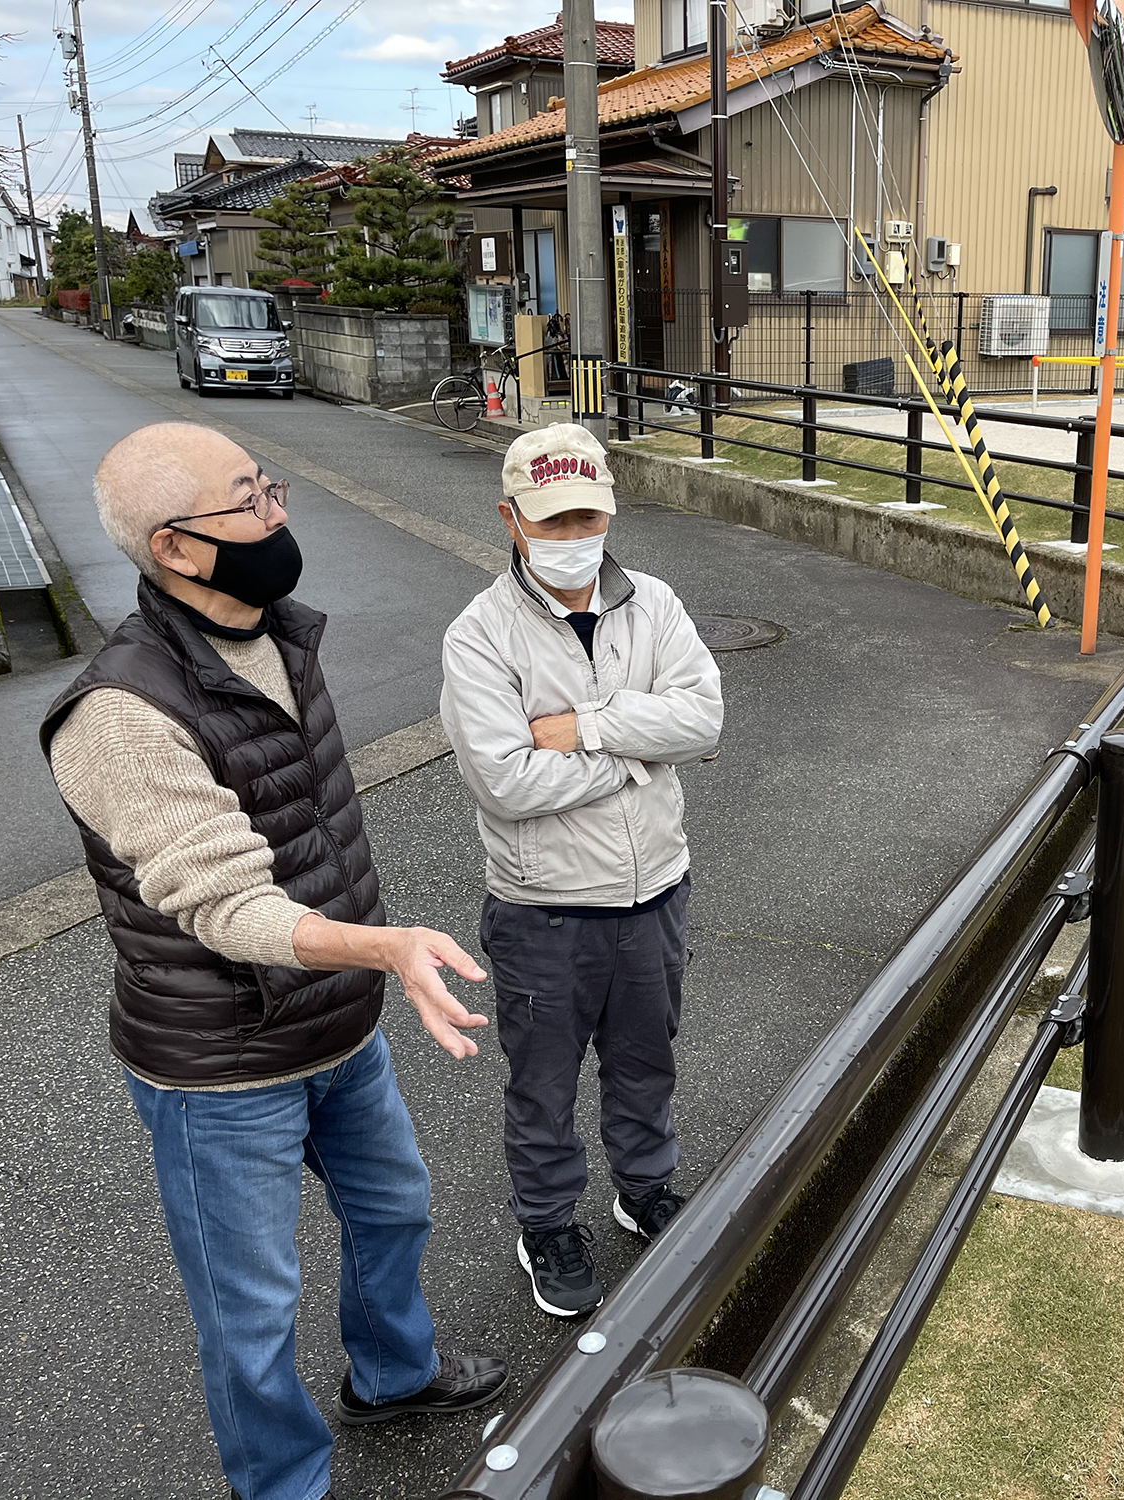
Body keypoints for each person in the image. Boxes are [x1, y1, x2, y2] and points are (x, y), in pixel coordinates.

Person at [40, 422, 506, 1500]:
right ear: (177, 548)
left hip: (336, 1024)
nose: (276, 513)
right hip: (218, 1066)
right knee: (249, 1313)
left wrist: (361, 966)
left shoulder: (276, 630)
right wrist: (384, 946)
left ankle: (392, 1376)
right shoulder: (116, 715)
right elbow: (224, 901)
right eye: (248, 499)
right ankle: (283, 1485)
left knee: (395, 1209)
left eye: (269, 486)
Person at [439, 423, 722, 1318]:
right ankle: (547, 1222)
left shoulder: (657, 604)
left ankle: (644, 1188)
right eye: (554, 522)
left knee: (647, 1063)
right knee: (544, 1082)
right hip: (545, 910)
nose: (574, 539)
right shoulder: (480, 635)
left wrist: (590, 726)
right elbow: (508, 781)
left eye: (589, 517)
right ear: (512, 519)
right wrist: (644, 747)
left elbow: (704, 720)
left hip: (654, 894)